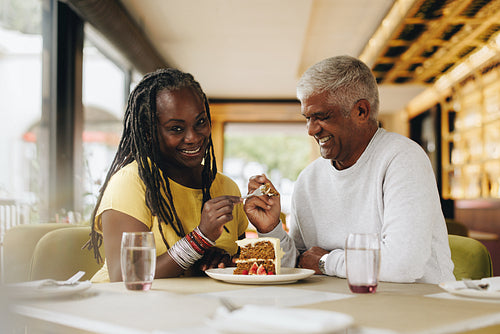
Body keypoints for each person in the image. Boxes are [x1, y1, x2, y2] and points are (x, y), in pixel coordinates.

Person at [250, 55, 455, 284]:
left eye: (322, 117)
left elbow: (402, 266)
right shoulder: (308, 179)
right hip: (342, 309)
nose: (311, 130)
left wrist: (326, 262)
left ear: (361, 112)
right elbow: (300, 263)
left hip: (418, 308)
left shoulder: (403, 158)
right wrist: (271, 229)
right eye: (307, 118)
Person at [88, 68, 251, 282]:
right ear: (149, 133)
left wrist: (223, 258)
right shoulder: (130, 183)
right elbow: (125, 276)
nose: (193, 137)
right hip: (123, 309)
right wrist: (200, 240)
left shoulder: (226, 186)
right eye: (176, 128)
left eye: (200, 122)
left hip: (196, 307)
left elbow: (238, 262)